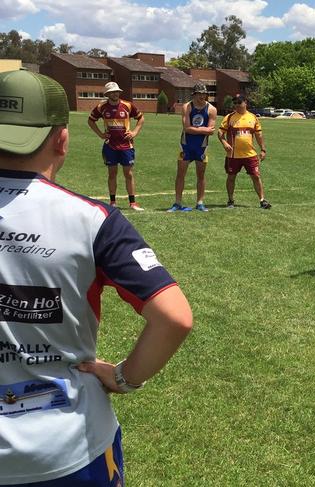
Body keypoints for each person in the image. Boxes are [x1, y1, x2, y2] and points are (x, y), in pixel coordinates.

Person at [0, 70, 193, 485]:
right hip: (67, 447)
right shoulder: (93, 220)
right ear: (61, 139)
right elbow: (174, 318)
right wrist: (124, 377)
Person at [88, 81, 145, 210]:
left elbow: (141, 118)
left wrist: (134, 132)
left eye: (116, 91)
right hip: (110, 146)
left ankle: (133, 203)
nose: (115, 93)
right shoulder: (101, 107)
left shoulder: (128, 105)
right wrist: (100, 134)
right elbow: (90, 120)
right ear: (108, 94)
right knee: (112, 174)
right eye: (112, 92)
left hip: (126, 146)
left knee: (128, 174)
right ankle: (113, 202)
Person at [168, 82, 217, 212]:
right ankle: (177, 202)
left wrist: (199, 129)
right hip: (186, 145)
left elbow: (211, 130)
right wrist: (204, 129)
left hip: (202, 146)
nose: (202, 96)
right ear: (194, 94)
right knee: (180, 174)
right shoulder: (187, 107)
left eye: (204, 93)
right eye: (199, 93)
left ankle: (200, 202)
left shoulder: (211, 109)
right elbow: (187, 128)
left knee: (201, 175)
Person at [217, 94, 271, 209]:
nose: (237, 105)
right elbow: (220, 133)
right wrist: (224, 143)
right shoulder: (229, 117)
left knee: (256, 176)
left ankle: (262, 200)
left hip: (250, 154)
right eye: (235, 103)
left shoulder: (253, 117)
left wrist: (263, 149)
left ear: (245, 103)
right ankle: (230, 200)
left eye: (239, 102)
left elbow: (258, 134)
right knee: (231, 177)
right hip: (233, 155)